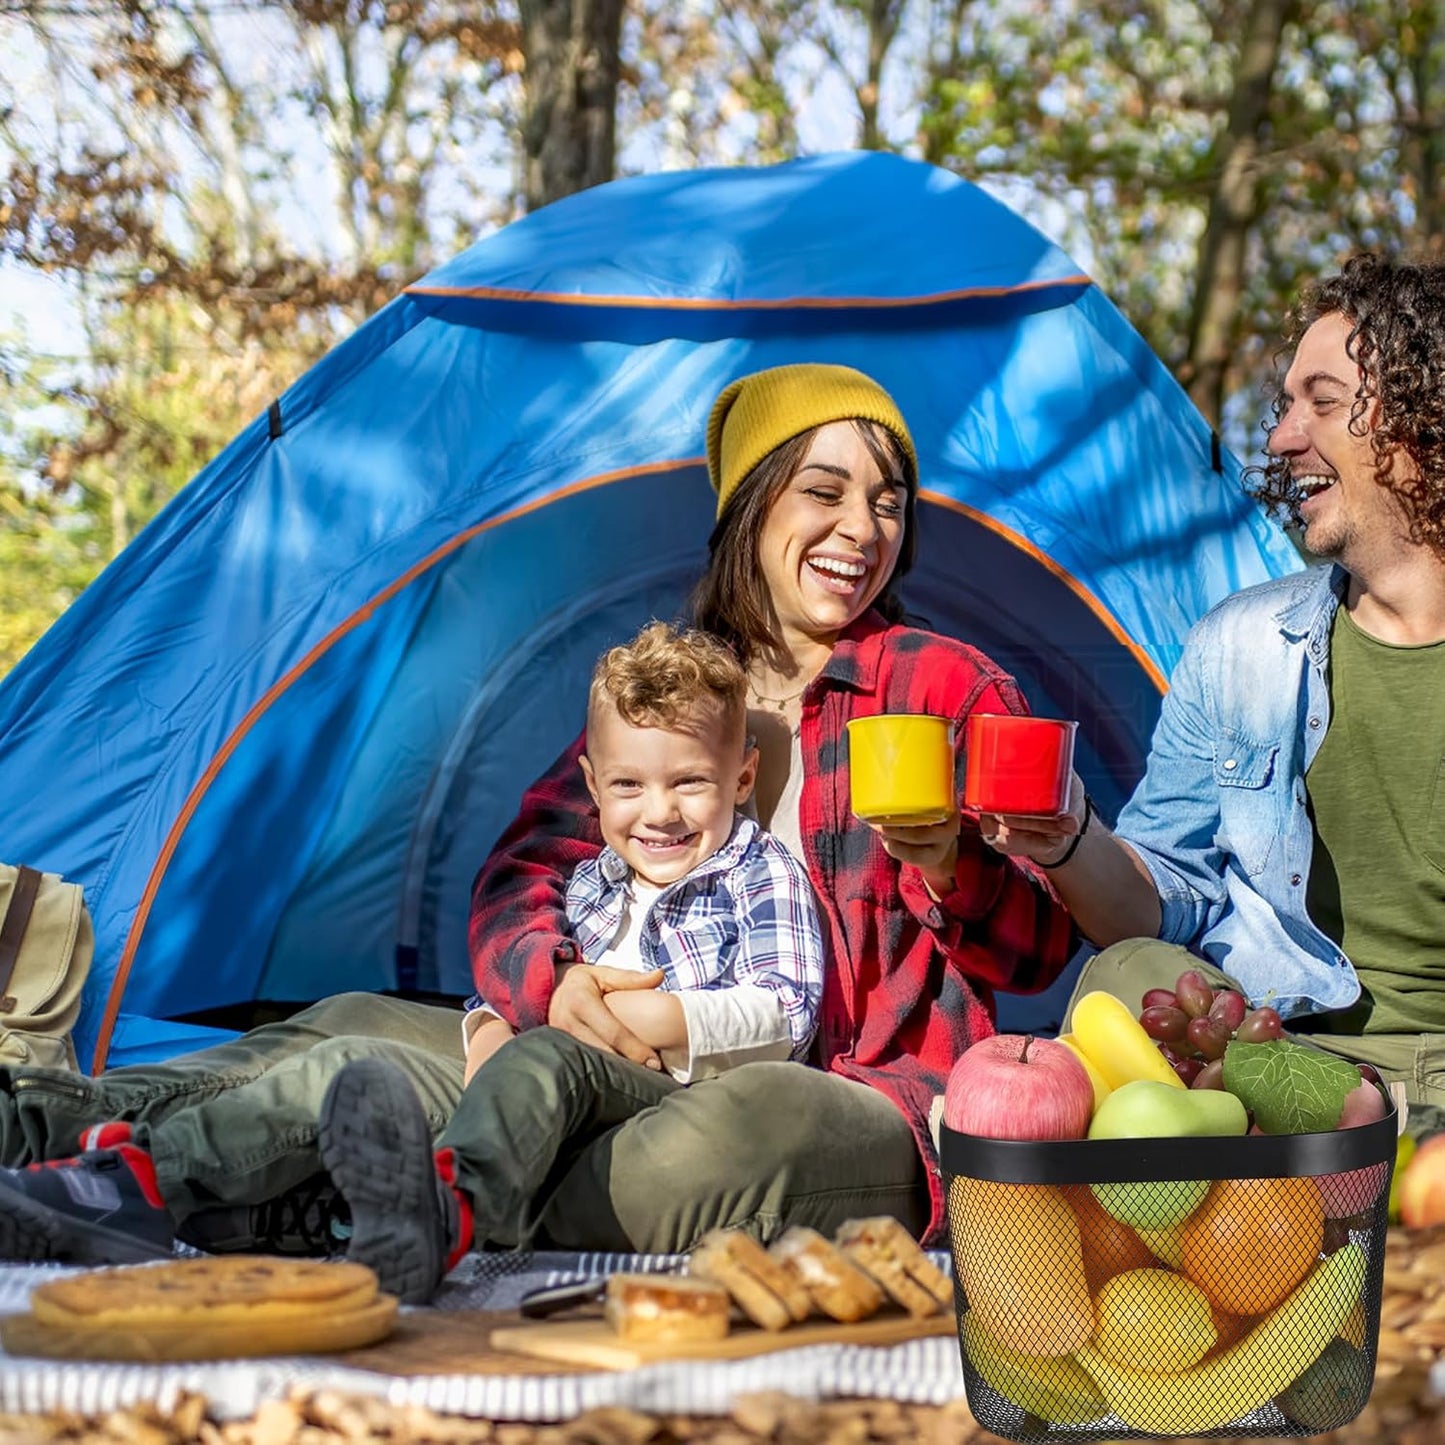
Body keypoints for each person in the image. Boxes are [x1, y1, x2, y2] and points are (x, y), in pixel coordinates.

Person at [0, 362, 1075, 1289]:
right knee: (348, 1029)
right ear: (750, 506)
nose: (862, 528)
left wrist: (947, 866)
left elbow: (1036, 940)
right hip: (588, 1051)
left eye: (888, 502)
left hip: (831, 1080)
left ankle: (329, 1197)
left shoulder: (941, 683)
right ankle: (52, 1138)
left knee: (703, 1151)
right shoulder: (680, 690)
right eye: (824, 491)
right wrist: (549, 985)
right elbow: (521, 873)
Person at [984, 253, 1445, 1130]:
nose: (1279, 438)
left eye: (1321, 399)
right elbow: (1159, 896)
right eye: (1283, 406)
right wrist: (1068, 835)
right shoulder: (1239, 646)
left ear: (1422, 416)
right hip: (1300, 1064)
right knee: (1122, 981)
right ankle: (1349, 1118)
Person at [461, 617, 825, 1085]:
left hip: (663, 1081)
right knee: (349, 1035)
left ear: (743, 779)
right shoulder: (594, 882)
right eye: (628, 784)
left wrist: (655, 1017)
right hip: (553, 1062)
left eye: (690, 782)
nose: (659, 813)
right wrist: (490, 1031)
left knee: (535, 1081)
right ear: (593, 787)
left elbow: (788, 1009)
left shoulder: (758, 871)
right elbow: (508, 997)